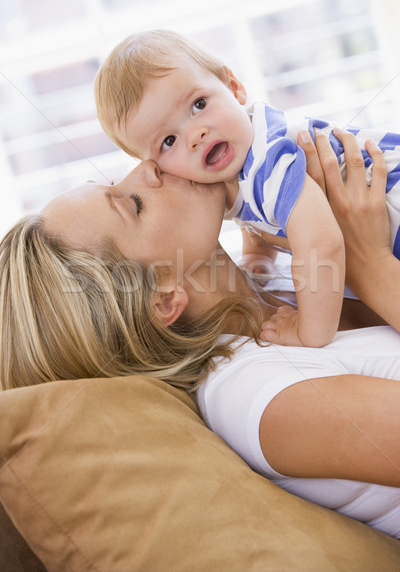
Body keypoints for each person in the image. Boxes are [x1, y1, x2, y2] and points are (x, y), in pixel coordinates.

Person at [0, 133, 400, 538]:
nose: (147, 166)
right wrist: (372, 266)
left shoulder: (277, 283)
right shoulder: (256, 396)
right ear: (162, 301)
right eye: (133, 205)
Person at [94, 29, 400, 349]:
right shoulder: (230, 172)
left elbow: (321, 242)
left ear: (234, 87)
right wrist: (257, 258)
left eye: (199, 104)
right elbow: (253, 213)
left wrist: (310, 330)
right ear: (152, 165)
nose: (195, 134)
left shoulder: (265, 160)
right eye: (168, 141)